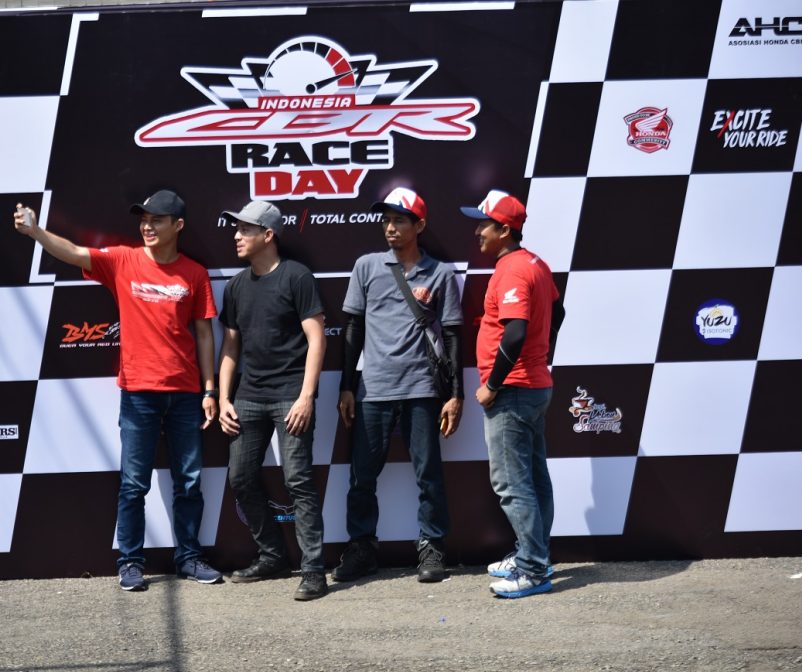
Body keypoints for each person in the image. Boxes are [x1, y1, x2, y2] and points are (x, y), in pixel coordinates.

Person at [13, 190, 222, 592]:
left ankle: (189, 558)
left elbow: (204, 334)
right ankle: (130, 562)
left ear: (178, 225)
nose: (147, 226)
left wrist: (209, 389)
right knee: (133, 484)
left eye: (157, 219)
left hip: (185, 393)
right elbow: (75, 253)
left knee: (189, 482)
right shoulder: (122, 260)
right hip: (138, 393)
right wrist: (36, 232)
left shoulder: (195, 273)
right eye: (143, 219)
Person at [334, 187, 464, 584]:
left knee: (428, 475)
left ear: (419, 226)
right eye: (386, 220)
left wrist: (455, 394)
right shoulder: (366, 266)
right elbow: (353, 329)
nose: (390, 228)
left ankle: (432, 546)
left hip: (422, 388)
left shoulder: (441, 273)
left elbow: (453, 335)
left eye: (399, 221)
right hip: (373, 389)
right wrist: (346, 387)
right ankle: (361, 548)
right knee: (361, 477)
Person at [216, 200, 329, 601]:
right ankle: (273, 556)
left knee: (297, 479)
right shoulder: (235, 286)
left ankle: (313, 570)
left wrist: (306, 397)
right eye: (236, 229)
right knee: (241, 477)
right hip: (248, 396)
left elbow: (317, 339)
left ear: (268, 235)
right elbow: (230, 348)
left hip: (290, 394)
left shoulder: (297, 276)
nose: (236, 236)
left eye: (245, 230)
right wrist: (224, 398)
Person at [461, 189, 565, 599]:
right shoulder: (535, 263)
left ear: (504, 230)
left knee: (512, 483)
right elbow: (558, 312)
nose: (477, 232)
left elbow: (516, 331)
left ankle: (533, 568)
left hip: (514, 391)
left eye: (483, 225)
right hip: (532, 385)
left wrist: (493, 384)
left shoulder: (513, 270)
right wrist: (540, 355)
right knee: (534, 479)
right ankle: (533, 554)